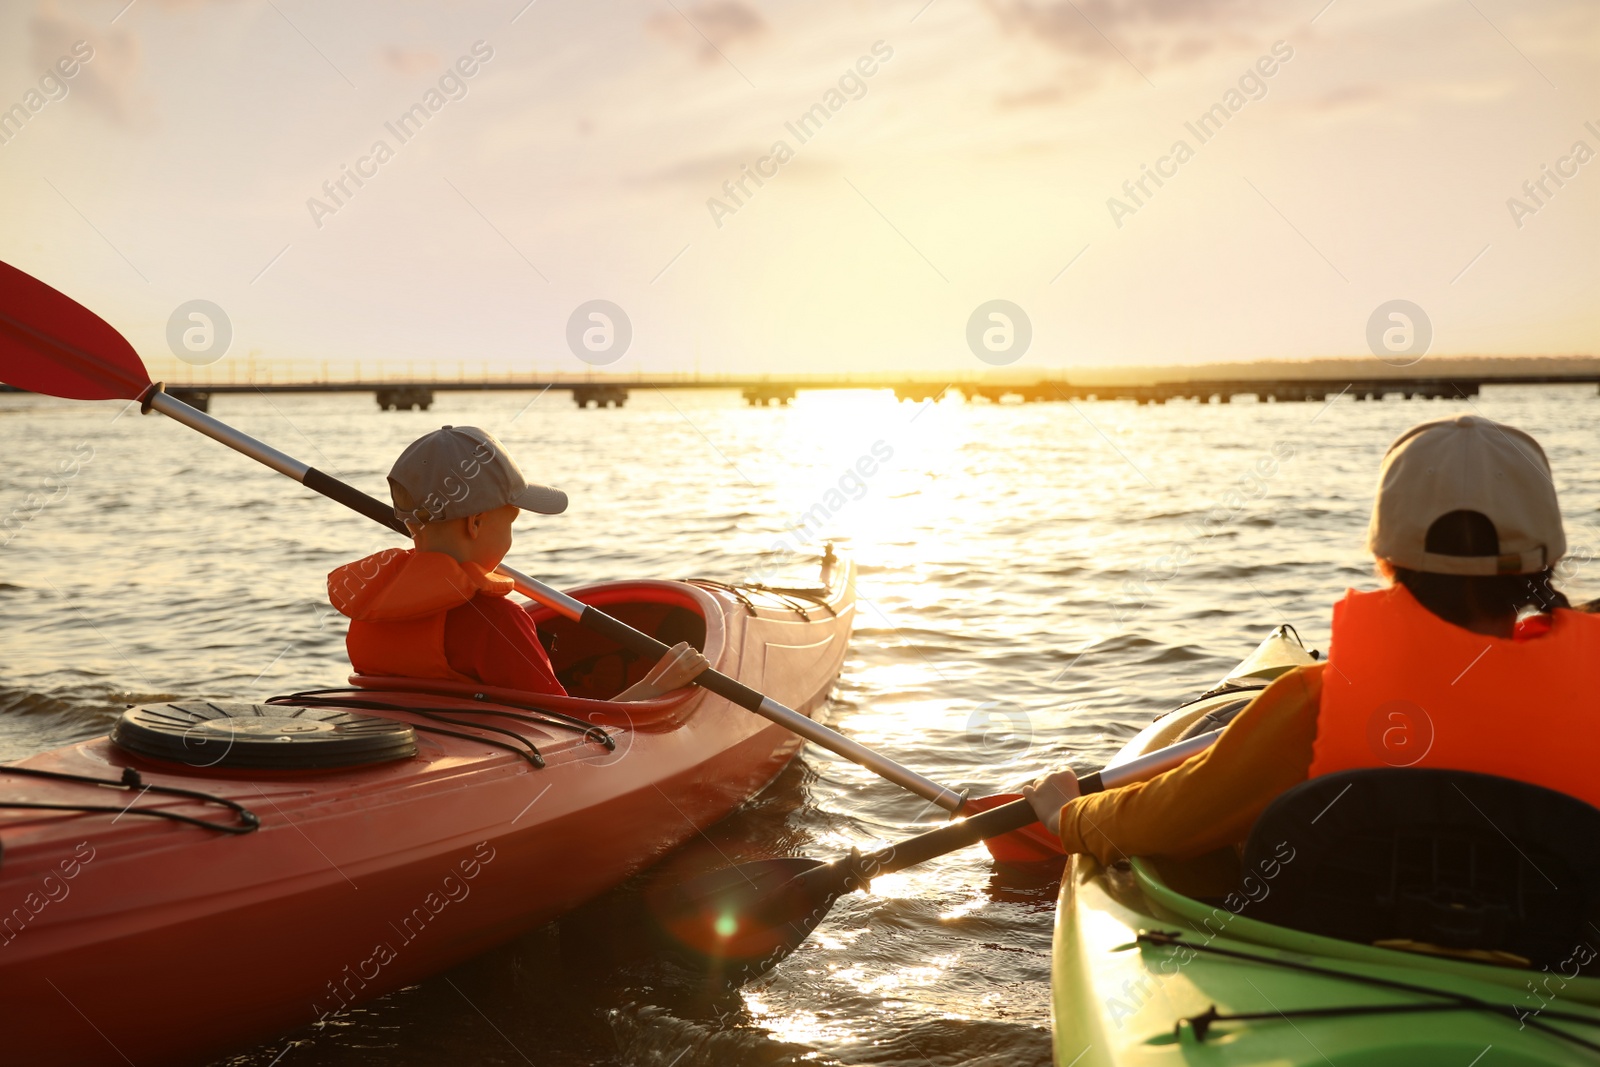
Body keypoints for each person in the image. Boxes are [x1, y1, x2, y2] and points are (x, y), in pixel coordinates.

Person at [1024, 414, 1600, 881]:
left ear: (1385, 560)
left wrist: (1066, 813)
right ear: (1546, 564)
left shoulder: (1315, 706)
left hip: (1352, 972)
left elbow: (1162, 822)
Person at [327, 425, 708, 700]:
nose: (512, 534)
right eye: (512, 520)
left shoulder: (370, 607)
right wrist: (655, 685)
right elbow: (573, 732)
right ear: (476, 523)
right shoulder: (499, 621)